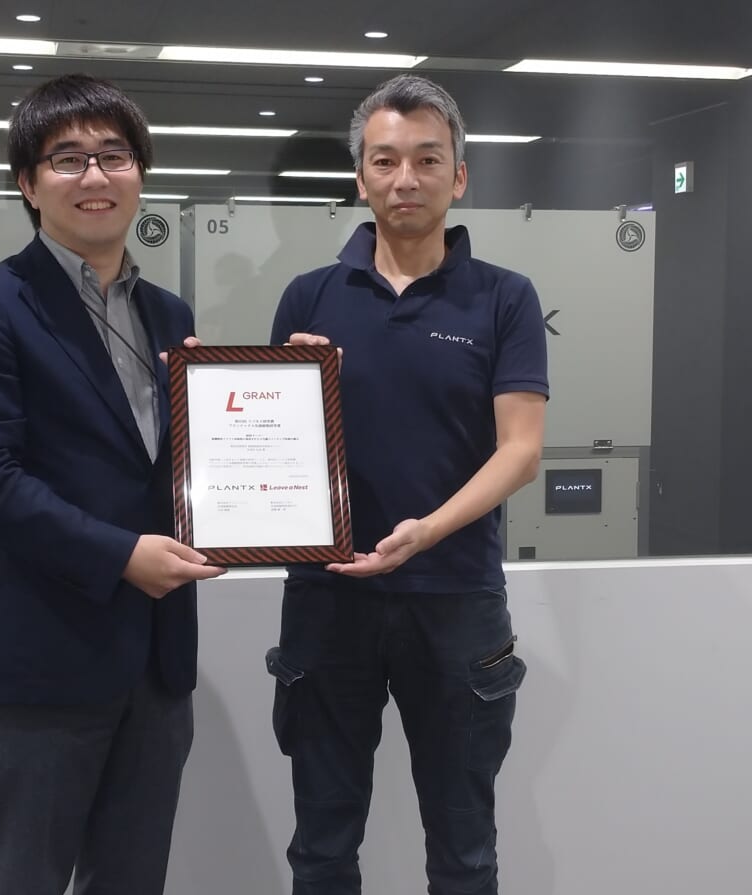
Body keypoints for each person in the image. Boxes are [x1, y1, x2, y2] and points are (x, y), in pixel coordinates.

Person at [0, 73, 224, 895]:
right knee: (25, 878)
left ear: (140, 175)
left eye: (114, 155)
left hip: (158, 661)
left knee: (133, 880)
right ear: (29, 184)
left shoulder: (169, 314)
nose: (95, 175)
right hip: (43, 656)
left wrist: (292, 391)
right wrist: (121, 554)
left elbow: (180, 461)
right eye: (68, 159)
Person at [266, 74, 548, 894]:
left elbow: (520, 450)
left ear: (459, 177)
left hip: (455, 597)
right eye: (385, 160)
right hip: (328, 595)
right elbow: (273, 451)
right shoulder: (309, 297)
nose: (406, 179)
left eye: (428, 160)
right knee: (322, 847)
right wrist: (290, 386)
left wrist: (427, 530)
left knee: (464, 852)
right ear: (360, 178)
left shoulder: (504, 298)